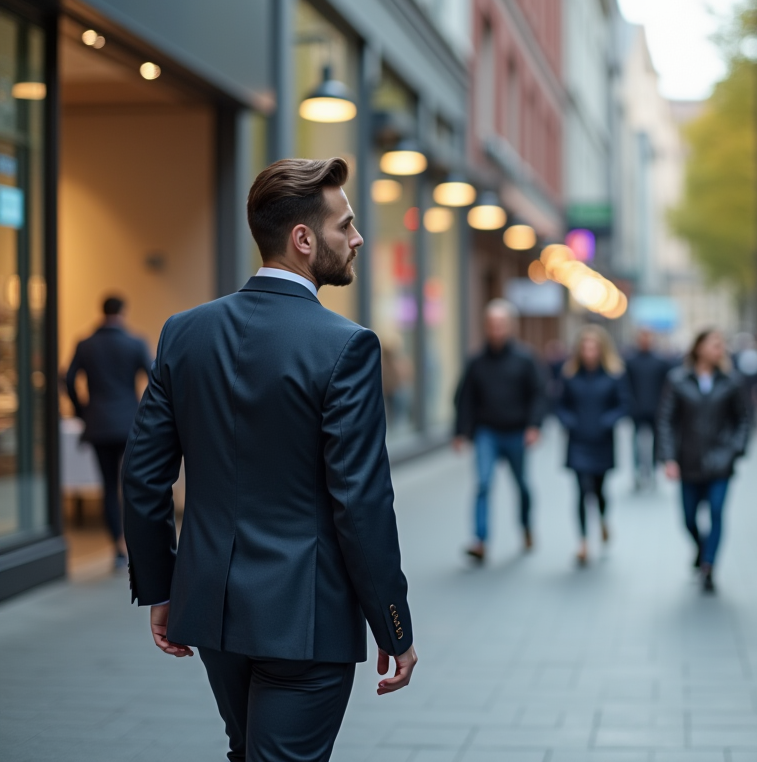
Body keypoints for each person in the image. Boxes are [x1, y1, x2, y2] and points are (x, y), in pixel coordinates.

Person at [122, 158, 417, 762]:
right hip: (303, 622)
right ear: (303, 240)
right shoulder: (347, 346)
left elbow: (143, 474)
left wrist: (162, 585)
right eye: (346, 226)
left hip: (211, 611)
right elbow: (360, 502)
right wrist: (393, 624)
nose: (358, 239)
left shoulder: (185, 332)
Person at [658, 329, 751, 594]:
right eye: (713, 344)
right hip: (688, 461)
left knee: (717, 512)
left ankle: (709, 566)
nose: (719, 349)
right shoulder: (677, 380)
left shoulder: (731, 381)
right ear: (698, 347)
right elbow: (666, 420)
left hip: (721, 462)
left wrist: (734, 450)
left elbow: (744, 419)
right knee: (688, 518)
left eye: (721, 344)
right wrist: (668, 458)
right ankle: (701, 548)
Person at [64, 295, 153, 569]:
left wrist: (81, 410)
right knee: (131, 485)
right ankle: (136, 545)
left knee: (107, 486)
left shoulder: (86, 344)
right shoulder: (135, 342)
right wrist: (145, 410)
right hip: (129, 424)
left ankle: (117, 546)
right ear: (123, 312)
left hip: (99, 423)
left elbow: (67, 379)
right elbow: (155, 378)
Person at [454, 299, 545, 563]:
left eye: (501, 324)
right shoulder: (477, 362)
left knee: (523, 486)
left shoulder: (525, 359)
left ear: (511, 327)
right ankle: (480, 541)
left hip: (517, 432)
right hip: (487, 433)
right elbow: (464, 397)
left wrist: (534, 426)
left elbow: (539, 394)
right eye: (491, 325)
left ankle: (526, 526)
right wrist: (461, 432)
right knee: (482, 484)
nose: (496, 330)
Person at [557, 325, 630, 566]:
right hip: (578, 440)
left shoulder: (613, 375)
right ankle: (583, 542)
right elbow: (559, 404)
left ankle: (602, 520)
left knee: (598, 490)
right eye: (585, 347)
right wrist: (570, 421)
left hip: (601, 441)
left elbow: (624, 405)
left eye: (593, 347)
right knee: (580, 489)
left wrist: (606, 422)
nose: (589, 352)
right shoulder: (570, 375)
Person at [624, 327, 672, 490]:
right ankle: (638, 471)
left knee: (656, 443)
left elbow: (666, 387)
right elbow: (626, 386)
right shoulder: (630, 361)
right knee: (636, 442)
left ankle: (652, 470)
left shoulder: (660, 361)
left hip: (656, 409)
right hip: (637, 410)